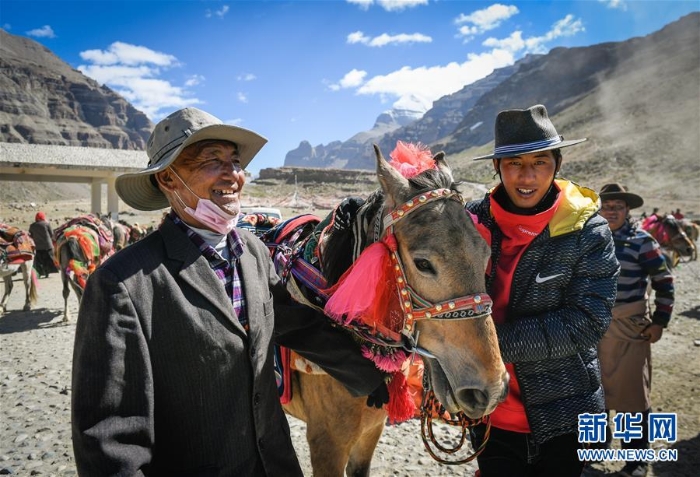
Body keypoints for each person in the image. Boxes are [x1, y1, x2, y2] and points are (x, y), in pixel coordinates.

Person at [71, 107, 388, 476]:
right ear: (168, 179)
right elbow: (111, 439)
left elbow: (296, 324)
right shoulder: (124, 284)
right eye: (212, 160)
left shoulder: (253, 253)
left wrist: (366, 373)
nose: (233, 174)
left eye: (235, 162)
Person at [465, 104, 619, 477]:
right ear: (497, 168)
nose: (527, 175)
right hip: (491, 413)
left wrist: (487, 345)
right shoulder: (469, 223)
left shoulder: (587, 231)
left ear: (557, 165)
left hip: (567, 412)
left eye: (541, 161)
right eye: (514, 162)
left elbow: (587, 321)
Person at [597, 183, 674, 477]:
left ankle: (636, 458)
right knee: (595, 393)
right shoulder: (588, 239)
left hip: (630, 329)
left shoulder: (643, 242)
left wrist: (660, 322)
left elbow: (664, 281)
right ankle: (594, 447)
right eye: (607, 206)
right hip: (594, 329)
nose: (612, 211)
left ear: (627, 210)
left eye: (618, 206)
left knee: (634, 398)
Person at [28, 211, 57, 277]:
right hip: (47, 246)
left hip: (37, 246)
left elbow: (30, 236)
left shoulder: (32, 226)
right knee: (47, 259)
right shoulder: (47, 224)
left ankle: (40, 273)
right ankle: (47, 273)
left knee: (39, 260)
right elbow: (51, 234)